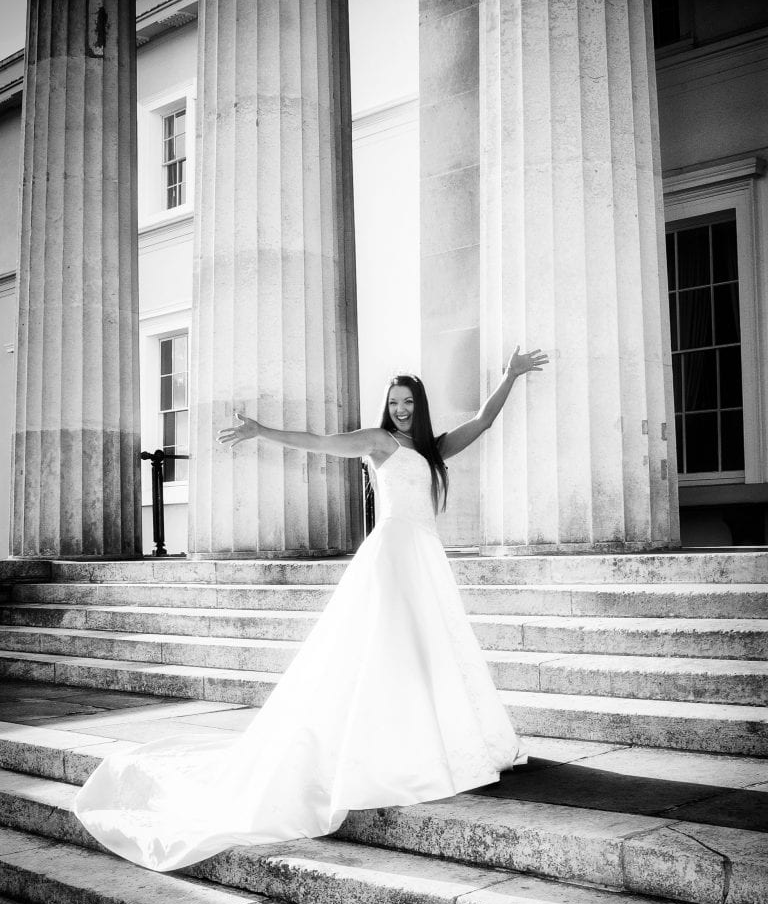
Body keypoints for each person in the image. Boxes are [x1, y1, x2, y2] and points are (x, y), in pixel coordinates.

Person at [74, 347, 547, 872]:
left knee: (427, 650)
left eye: (408, 401)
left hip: (424, 555)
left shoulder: (432, 449)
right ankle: (384, 750)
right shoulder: (377, 442)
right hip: (391, 554)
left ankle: (432, 740)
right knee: (382, 649)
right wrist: (262, 430)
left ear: (420, 404)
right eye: (394, 402)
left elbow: (481, 422)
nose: (401, 409)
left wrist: (509, 376)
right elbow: (320, 444)